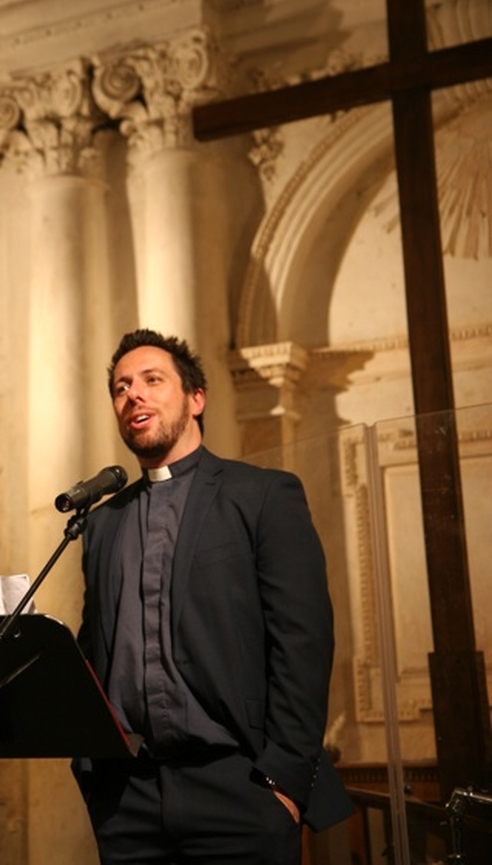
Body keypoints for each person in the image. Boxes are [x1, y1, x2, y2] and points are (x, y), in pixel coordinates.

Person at [73, 328, 354, 865]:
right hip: (130, 799)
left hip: (241, 787)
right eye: (121, 387)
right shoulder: (104, 523)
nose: (134, 394)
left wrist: (283, 783)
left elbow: (304, 644)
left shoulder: (263, 496)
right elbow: (97, 652)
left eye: (153, 380)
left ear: (196, 399)